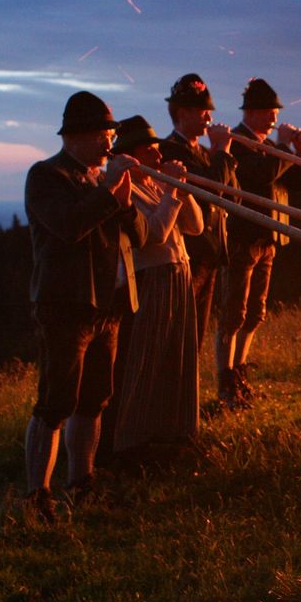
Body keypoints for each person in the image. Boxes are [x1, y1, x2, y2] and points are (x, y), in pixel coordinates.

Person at [23, 91, 146, 520]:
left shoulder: (100, 180)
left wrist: (128, 203)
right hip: (65, 307)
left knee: (95, 399)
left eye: (110, 134)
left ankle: (81, 481)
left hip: (105, 307)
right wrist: (111, 189)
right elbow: (70, 226)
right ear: (74, 137)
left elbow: (142, 235)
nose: (108, 143)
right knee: (56, 402)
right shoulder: (45, 176)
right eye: (101, 135)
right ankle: (38, 495)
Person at [109, 116, 205, 462]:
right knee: (148, 357)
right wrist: (171, 191)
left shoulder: (155, 184)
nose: (156, 155)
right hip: (152, 277)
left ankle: (173, 432)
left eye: (155, 148)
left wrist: (178, 189)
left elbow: (195, 226)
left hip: (179, 273)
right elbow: (154, 234)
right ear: (130, 155)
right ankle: (135, 440)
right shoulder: (127, 189)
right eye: (148, 149)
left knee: (177, 356)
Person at [214, 77, 301, 408]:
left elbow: (298, 183)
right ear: (252, 114)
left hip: (269, 235)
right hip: (243, 236)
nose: (274, 120)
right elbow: (261, 175)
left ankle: (239, 371)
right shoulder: (238, 142)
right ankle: (225, 379)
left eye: (274, 114)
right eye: (269, 113)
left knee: (255, 312)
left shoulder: (269, 145)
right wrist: (285, 148)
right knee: (233, 312)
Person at [157, 74, 237, 356]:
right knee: (180, 332)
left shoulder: (204, 152)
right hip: (189, 253)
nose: (208, 119)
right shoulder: (170, 150)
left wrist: (221, 155)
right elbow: (211, 189)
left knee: (197, 334)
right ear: (182, 113)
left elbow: (233, 195)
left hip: (209, 252)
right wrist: (223, 153)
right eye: (203, 112)